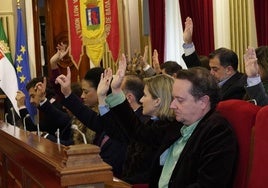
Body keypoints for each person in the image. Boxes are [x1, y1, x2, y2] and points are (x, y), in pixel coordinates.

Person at [99, 56, 238, 187]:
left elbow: (207, 185)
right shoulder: (178, 124)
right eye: (173, 98)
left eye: (180, 100)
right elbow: (139, 132)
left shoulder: (217, 132)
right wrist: (116, 91)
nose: (172, 105)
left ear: (203, 102)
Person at [97, 59, 177, 184]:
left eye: (145, 95)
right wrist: (102, 98)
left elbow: (136, 131)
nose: (141, 99)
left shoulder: (167, 127)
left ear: (157, 101)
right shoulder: (153, 122)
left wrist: (117, 91)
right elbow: (118, 133)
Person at [55, 66, 127, 178]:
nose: (82, 96)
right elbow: (90, 118)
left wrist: (79, 164)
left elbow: (113, 163)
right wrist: (67, 93)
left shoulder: (124, 121)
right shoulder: (105, 116)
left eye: (85, 91)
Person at [182, 17, 246, 101]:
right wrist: (188, 43)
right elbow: (197, 70)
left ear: (229, 69)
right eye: (210, 68)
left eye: (215, 69)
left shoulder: (239, 87)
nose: (211, 73)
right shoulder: (218, 80)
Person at [16, 77, 73, 145]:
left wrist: (22, 106)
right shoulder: (49, 107)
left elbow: (34, 130)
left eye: (33, 96)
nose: (31, 101)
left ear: (43, 92)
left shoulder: (57, 108)